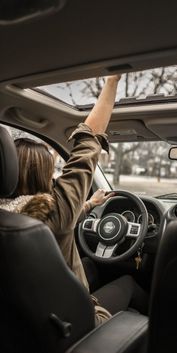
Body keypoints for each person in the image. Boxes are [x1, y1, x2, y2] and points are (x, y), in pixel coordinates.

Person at [0, 75, 148, 324]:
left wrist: (89, 205)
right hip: (77, 326)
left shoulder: (12, 222)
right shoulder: (53, 212)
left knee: (90, 266)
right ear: (43, 176)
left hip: (24, 325)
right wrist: (112, 80)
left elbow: (67, 218)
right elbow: (88, 142)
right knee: (129, 283)